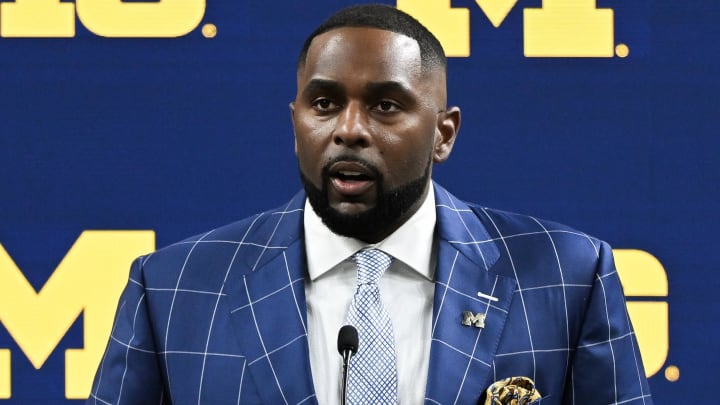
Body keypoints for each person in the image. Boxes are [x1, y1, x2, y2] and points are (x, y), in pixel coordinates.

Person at [88, 4, 652, 404]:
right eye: (325, 103)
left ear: (443, 134)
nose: (349, 130)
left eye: (385, 105)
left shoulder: (567, 275)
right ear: (295, 124)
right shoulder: (172, 289)